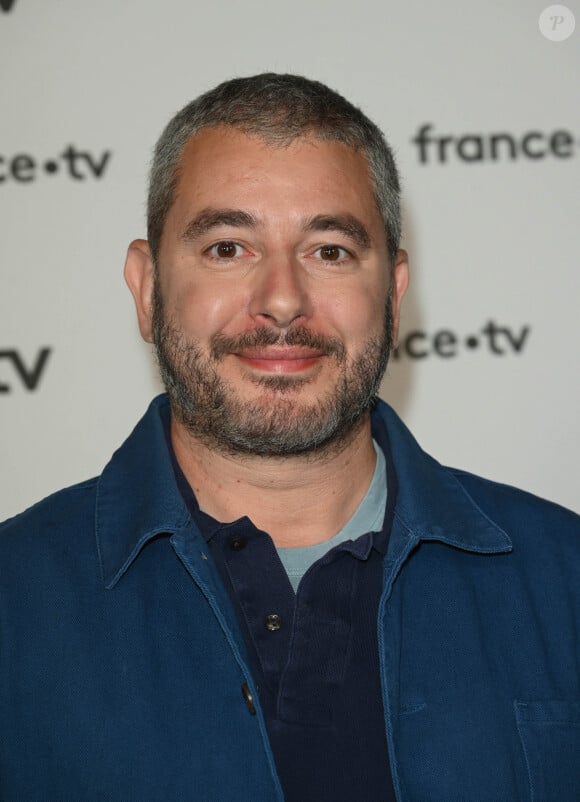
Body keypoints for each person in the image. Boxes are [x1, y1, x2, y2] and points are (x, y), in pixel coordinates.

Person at [1, 73, 579, 802]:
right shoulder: (14, 600)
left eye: (330, 250)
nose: (281, 299)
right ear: (147, 290)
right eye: (227, 247)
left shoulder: (566, 581)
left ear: (395, 294)